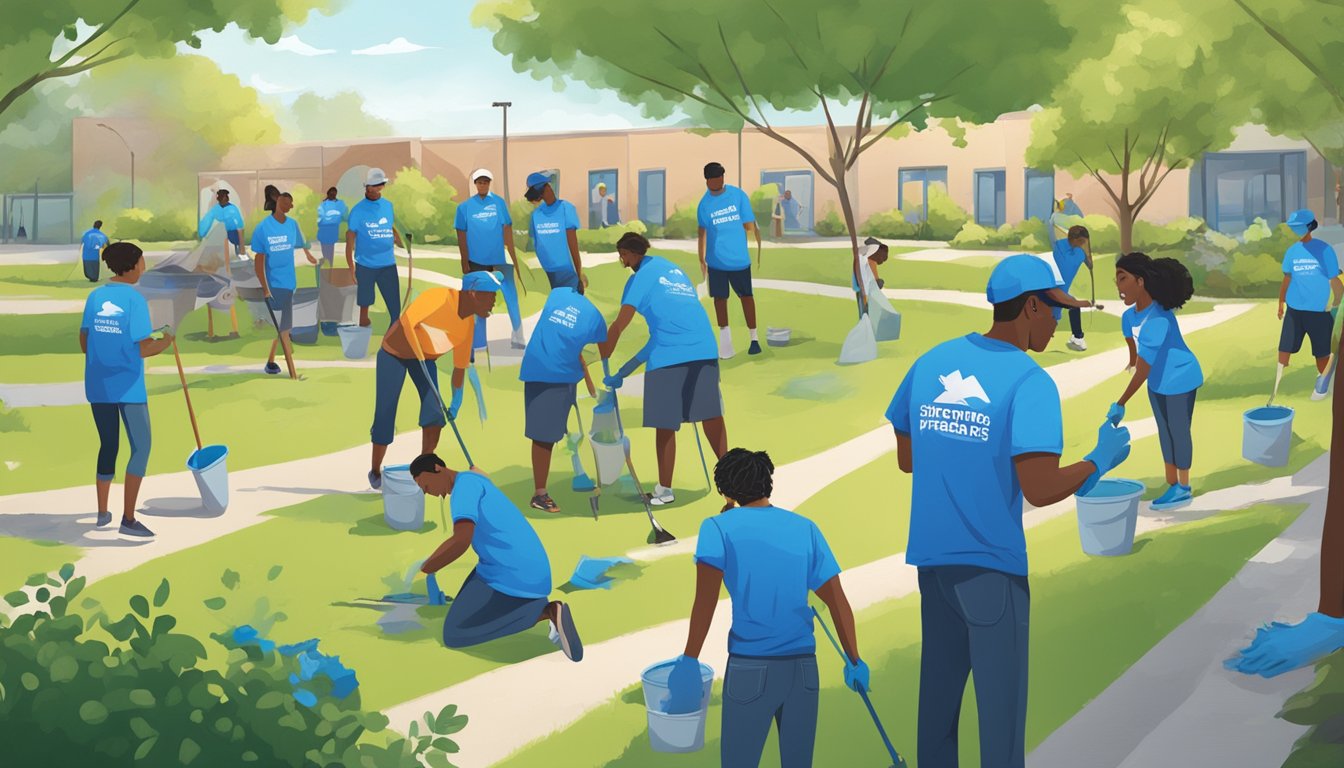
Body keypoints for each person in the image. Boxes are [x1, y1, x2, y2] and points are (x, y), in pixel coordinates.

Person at [886, 254, 1132, 768]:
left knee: (938, 704)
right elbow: (1040, 489)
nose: (1059, 320)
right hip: (992, 567)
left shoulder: (933, 361)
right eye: (1055, 310)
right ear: (1031, 307)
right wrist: (1097, 461)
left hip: (934, 562)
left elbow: (908, 459)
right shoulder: (1029, 382)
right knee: (1000, 718)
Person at [667, 448, 864, 768]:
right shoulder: (806, 528)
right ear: (766, 482)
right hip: (803, 669)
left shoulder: (716, 528)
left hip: (751, 667)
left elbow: (705, 601)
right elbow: (837, 601)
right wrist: (855, 660)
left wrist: (690, 658)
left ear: (726, 491)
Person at [411, 453, 583, 661]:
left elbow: (461, 540)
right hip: (530, 569)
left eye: (426, 486)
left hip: (509, 573)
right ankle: (528, 603)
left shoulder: (462, 491)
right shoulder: (475, 479)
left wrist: (427, 568)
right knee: (472, 591)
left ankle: (545, 611)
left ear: (438, 468)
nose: (428, 493)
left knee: (454, 633)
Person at [598, 232, 727, 506]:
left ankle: (665, 490)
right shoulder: (673, 270)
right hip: (704, 350)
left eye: (622, 254)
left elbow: (621, 323)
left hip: (670, 358)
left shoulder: (639, 278)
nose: (621, 260)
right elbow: (658, 337)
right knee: (711, 418)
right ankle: (733, 485)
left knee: (665, 425)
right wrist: (623, 371)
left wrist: (604, 352)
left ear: (631, 254)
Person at [368, 270, 501, 489]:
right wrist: (417, 352)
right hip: (395, 353)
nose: (494, 302)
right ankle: (375, 470)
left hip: (425, 360)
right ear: (474, 294)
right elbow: (409, 321)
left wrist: (456, 401)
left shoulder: (468, 327)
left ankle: (424, 470)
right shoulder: (439, 298)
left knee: (435, 414)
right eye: (491, 295)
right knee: (385, 412)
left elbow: (460, 369)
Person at [80, 242, 174, 538]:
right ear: (132, 266)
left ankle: (101, 512)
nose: (144, 268)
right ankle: (129, 519)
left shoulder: (95, 297)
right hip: (128, 387)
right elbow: (143, 348)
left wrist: (104, 356)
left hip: (98, 384)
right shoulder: (135, 300)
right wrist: (167, 340)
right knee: (141, 447)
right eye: (143, 263)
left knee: (108, 445)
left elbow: (84, 340)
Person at [1108, 252, 1203, 512]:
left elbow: (1144, 369)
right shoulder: (1129, 316)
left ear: (1140, 281)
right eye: (1116, 278)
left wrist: (1121, 402)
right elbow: (1131, 339)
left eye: (1122, 278)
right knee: (1164, 431)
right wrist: (1130, 359)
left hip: (1181, 378)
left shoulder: (1159, 319)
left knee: (1178, 431)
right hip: (1159, 382)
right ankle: (1171, 483)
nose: (1118, 285)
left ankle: (1182, 487)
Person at [519, 286, 607, 513]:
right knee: (545, 436)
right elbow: (602, 349)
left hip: (537, 367)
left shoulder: (557, 295)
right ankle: (540, 494)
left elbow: (570, 342)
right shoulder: (595, 316)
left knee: (556, 432)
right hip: (555, 373)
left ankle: (579, 474)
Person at [698, 161, 763, 358]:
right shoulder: (704, 204)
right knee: (720, 299)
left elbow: (749, 226)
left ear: (722, 178)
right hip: (716, 261)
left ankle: (754, 338)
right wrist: (701, 258)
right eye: (712, 180)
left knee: (746, 296)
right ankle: (726, 343)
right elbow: (702, 233)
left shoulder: (738, 195)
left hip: (739, 260)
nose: (715, 183)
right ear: (707, 181)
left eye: (718, 179)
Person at [1275, 208, 1342, 400]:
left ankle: (1322, 385)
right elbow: (1287, 279)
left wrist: (1337, 304)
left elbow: (1334, 280)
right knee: (1284, 350)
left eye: (1298, 227)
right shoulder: (1292, 252)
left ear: (1309, 226)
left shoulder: (1324, 250)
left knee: (1322, 353)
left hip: (1318, 312)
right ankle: (1277, 387)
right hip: (1294, 310)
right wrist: (1280, 302)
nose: (1295, 230)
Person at [455, 168, 524, 350]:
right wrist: (464, 261)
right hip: (477, 261)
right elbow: (461, 235)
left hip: (499, 260)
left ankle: (518, 336)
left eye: (485, 182)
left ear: (489, 183)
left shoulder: (498, 203)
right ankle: (479, 342)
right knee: (479, 300)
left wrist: (513, 257)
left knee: (511, 296)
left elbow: (507, 230)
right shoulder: (464, 207)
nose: (482, 185)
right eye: (479, 182)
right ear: (475, 184)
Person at [250, 192, 317, 375]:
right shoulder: (263, 228)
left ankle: (271, 363)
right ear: (278, 203)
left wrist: (308, 254)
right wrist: (265, 288)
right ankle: (293, 375)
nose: (291, 206)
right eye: (287, 202)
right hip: (275, 286)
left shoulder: (292, 225)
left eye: (291, 203)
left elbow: (300, 243)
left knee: (281, 327)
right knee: (285, 330)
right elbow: (259, 262)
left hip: (290, 284)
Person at [346, 168, 406, 328]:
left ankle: (395, 328)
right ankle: (363, 323)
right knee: (365, 299)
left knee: (394, 301)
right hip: (365, 264)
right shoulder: (357, 210)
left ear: (382, 186)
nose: (372, 189)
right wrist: (351, 266)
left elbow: (389, 225)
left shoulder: (388, 206)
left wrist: (399, 239)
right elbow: (350, 237)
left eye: (376, 185)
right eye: (370, 186)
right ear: (366, 187)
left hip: (387, 263)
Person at [525, 171, 586, 291]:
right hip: (548, 271)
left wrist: (578, 273)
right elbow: (537, 242)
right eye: (546, 187)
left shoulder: (566, 208)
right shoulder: (536, 215)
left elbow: (572, 244)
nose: (549, 189)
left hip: (566, 270)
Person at [1049, 223, 1093, 351]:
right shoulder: (1059, 248)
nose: (1083, 244)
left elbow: (1090, 264)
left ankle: (1077, 337)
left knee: (1073, 306)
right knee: (1048, 321)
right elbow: (1090, 264)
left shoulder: (1078, 252)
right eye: (1082, 241)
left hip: (1060, 293)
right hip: (1048, 291)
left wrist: (1087, 254)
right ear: (1076, 240)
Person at [200, 189, 246, 257]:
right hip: (220, 236)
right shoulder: (215, 209)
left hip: (232, 234)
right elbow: (206, 222)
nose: (224, 199)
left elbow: (240, 227)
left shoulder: (232, 209)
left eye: (225, 197)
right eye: (223, 197)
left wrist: (242, 246)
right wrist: (202, 234)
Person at [852, 237, 889, 318]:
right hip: (862, 284)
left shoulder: (866, 254)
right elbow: (872, 265)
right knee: (864, 299)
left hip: (860, 282)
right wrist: (877, 281)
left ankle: (865, 314)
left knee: (863, 299)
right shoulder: (873, 254)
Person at [315, 186, 347, 267]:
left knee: (328, 248)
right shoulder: (324, 204)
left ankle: (328, 264)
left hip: (330, 229)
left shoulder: (338, 204)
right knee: (327, 248)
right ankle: (327, 263)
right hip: (326, 229)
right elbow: (345, 216)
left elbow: (345, 216)